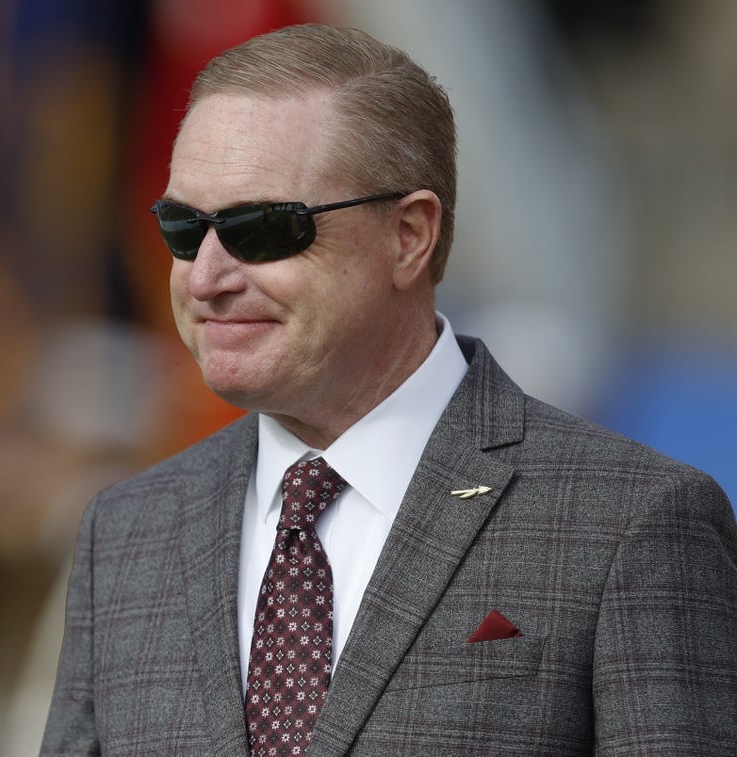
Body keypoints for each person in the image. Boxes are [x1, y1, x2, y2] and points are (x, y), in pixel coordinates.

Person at [40, 23, 737, 756]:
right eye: (184, 229)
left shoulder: (633, 523)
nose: (206, 277)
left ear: (410, 235)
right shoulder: (125, 533)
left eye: (266, 228)